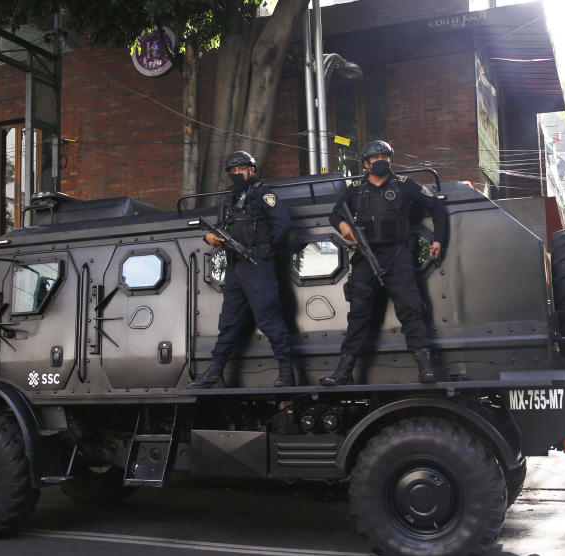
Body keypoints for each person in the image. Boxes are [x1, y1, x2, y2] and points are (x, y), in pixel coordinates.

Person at [321, 139, 446, 386]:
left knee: (411, 309)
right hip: (366, 257)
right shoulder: (355, 188)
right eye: (375, 159)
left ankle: (425, 367)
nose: (380, 161)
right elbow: (335, 213)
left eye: (384, 157)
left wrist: (439, 240)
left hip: (398, 254)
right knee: (358, 315)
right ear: (366, 164)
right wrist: (344, 226)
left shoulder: (404, 185)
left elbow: (436, 206)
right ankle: (343, 371)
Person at [187, 151, 295, 389]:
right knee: (229, 322)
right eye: (233, 171)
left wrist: (266, 251)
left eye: (241, 169)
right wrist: (209, 237)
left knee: (268, 318)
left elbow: (283, 225)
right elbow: (218, 229)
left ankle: (287, 372)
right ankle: (215, 374)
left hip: (257, 265)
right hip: (235, 267)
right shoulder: (227, 200)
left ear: (251, 170)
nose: (237, 174)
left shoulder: (262, 194)